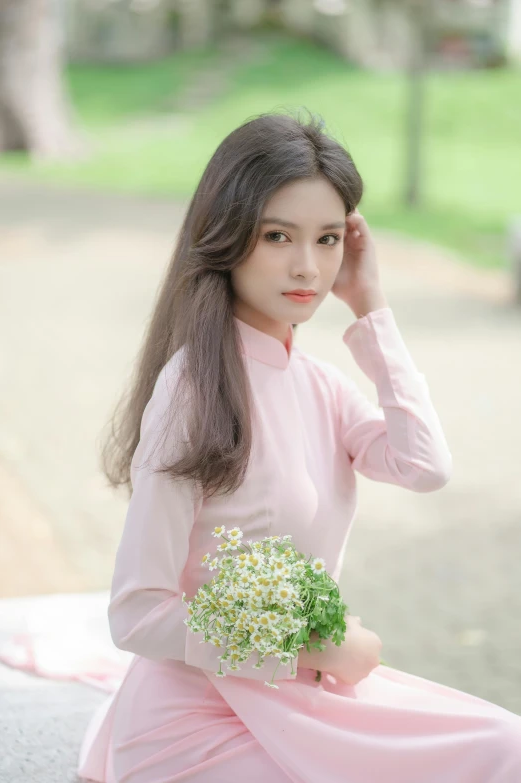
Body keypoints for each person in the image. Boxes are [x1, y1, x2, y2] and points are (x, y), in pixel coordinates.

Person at [77, 111, 521, 783]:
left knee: (503, 744)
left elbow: (425, 465)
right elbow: (137, 613)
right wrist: (313, 647)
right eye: (277, 235)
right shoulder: (193, 390)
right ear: (226, 236)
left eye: (328, 238)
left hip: (304, 700)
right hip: (194, 724)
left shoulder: (321, 386)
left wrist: (370, 308)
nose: (307, 266)